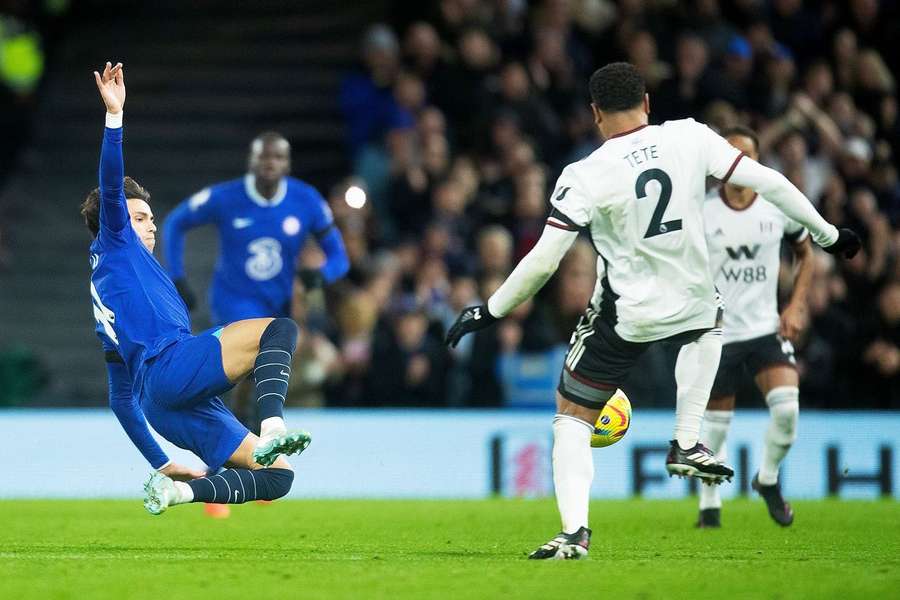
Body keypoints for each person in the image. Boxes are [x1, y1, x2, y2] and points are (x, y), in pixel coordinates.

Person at [445, 62, 861, 560]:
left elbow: (543, 261)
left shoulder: (585, 174)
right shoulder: (690, 136)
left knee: (573, 418)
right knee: (711, 323)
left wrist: (488, 311)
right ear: (646, 102)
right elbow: (768, 181)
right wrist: (829, 234)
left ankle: (575, 534)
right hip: (691, 302)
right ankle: (686, 440)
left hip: (625, 314)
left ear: (595, 113)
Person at [83, 62, 311, 515]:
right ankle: (271, 425)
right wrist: (114, 117)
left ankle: (182, 494)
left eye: (150, 217)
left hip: (162, 403)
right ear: (113, 222)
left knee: (278, 476)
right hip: (171, 367)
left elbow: (121, 399)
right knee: (278, 331)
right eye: (141, 217)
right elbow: (111, 184)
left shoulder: (107, 290)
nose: (151, 225)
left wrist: (164, 464)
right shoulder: (115, 244)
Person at [162, 130, 349, 426]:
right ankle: (248, 433)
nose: (270, 163)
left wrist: (320, 275)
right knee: (255, 361)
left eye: (278, 157)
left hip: (279, 303)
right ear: (251, 160)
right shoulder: (225, 197)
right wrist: (177, 277)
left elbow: (340, 257)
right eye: (263, 156)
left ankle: (239, 435)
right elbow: (175, 223)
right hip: (234, 300)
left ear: (287, 164)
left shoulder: (306, 200)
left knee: (258, 372)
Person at [697, 126, 814, 528]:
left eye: (746, 156)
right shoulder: (702, 210)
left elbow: (806, 253)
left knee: (787, 411)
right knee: (715, 428)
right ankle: (709, 505)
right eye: (731, 155)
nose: (738, 163)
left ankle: (766, 479)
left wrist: (796, 305)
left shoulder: (776, 207)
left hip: (765, 328)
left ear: (757, 163)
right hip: (718, 332)